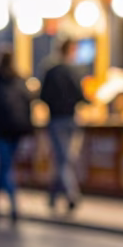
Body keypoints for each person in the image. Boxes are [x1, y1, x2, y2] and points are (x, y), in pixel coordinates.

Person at [0, 48, 33, 221]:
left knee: (4, 166)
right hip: (17, 130)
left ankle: (12, 204)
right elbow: (29, 103)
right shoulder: (21, 81)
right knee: (6, 165)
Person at [40, 38, 87, 212]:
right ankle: (71, 194)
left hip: (55, 119)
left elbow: (42, 96)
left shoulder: (50, 71)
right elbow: (81, 96)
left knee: (62, 159)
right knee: (65, 158)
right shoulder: (74, 71)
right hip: (70, 119)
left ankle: (55, 195)